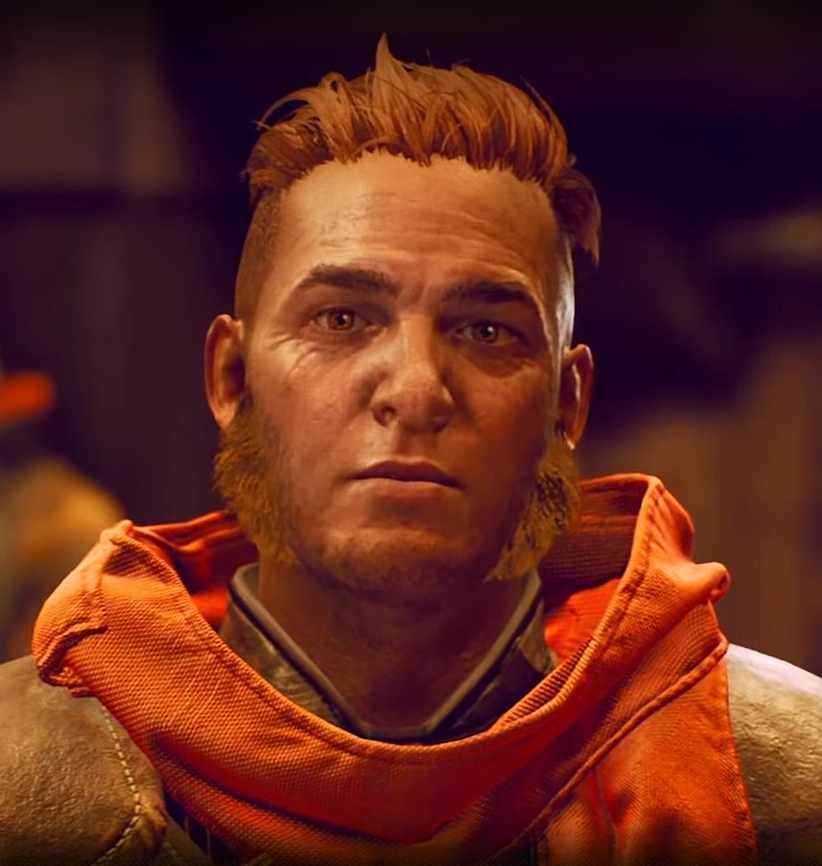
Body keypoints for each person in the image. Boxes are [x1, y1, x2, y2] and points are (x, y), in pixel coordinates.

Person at [3, 35, 822, 866]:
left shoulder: (788, 785)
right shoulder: (21, 781)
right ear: (232, 378)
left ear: (567, 402)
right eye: (342, 319)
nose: (417, 390)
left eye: (487, 330)